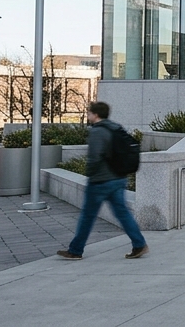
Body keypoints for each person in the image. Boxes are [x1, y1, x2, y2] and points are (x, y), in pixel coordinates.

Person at [58, 101, 147, 260]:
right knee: (123, 214)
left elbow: (94, 157)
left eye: (89, 113)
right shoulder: (115, 127)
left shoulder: (98, 131)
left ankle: (76, 250)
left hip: (101, 181)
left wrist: (90, 174)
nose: (88, 115)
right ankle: (139, 244)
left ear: (95, 114)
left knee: (87, 216)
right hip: (118, 178)